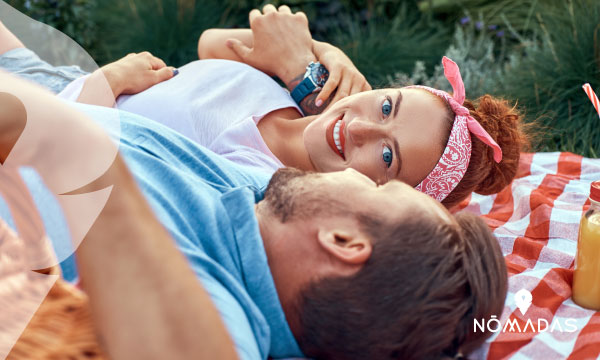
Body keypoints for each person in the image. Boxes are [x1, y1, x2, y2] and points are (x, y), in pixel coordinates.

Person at [0, 68, 508, 359]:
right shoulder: (259, 202)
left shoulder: (218, 307)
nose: (356, 176)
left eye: (379, 190)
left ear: (344, 241)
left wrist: (72, 147)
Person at [0, 5, 529, 209]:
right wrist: (319, 55)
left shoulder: (253, 185)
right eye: (387, 106)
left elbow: (81, 161)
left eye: (387, 157)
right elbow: (211, 45)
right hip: (56, 78)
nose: (361, 127)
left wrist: (112, 78)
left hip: (30, 125)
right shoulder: (304, 94)